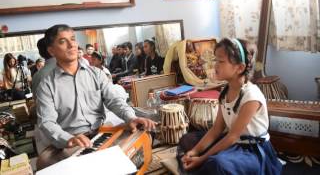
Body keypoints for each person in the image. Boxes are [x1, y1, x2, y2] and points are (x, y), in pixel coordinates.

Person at [36, 24, 156, 170]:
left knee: (143, 137)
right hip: (73, 141)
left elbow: (114, 100)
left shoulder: (96, 74)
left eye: (73, 39)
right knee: (46, 164)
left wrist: (131, 118)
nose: (71, 45)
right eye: (62, 41)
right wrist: (68, 139)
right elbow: (47, 122)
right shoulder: (46, 85)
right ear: (51, 51)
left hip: (103, 132)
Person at [178, 38, 282, 174]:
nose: (215, 65)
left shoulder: (251, 97)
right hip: (235, 143)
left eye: (221, 61)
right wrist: (195, 151)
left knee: (218, 163)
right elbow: (216, 129)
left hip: (252, 150)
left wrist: (202, 158)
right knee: (187, 140)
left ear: (240, 68)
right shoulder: (226, 90)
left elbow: (232, 137)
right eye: (215, 60)